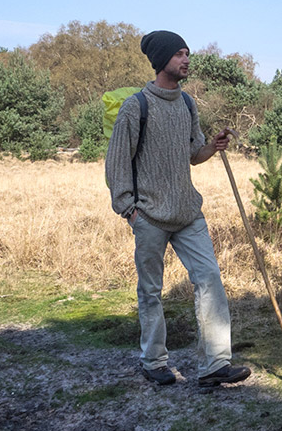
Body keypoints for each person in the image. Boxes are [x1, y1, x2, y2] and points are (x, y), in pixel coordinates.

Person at [105, 30, 251, 388]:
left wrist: (212, 148)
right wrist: (129, 210)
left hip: (188, 213)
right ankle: (154, 361)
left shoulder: (187, 105)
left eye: (187, 53)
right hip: (150, 216)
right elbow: (116, 163)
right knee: (151, 291)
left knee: (209, 278)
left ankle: (215, 364)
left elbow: (193, 154)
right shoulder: (135, 107)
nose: (186, 60)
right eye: (179, 54)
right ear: (161, 61)